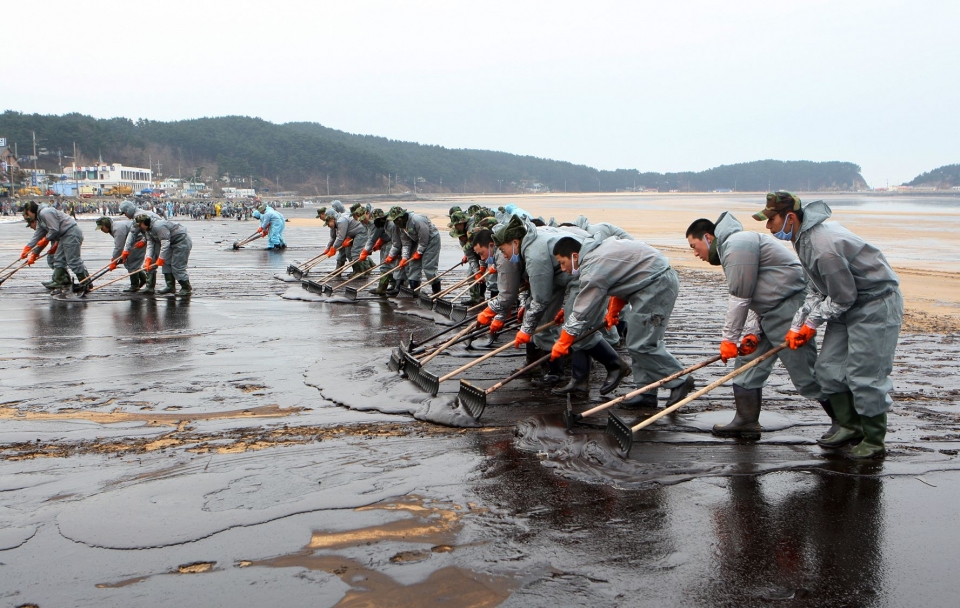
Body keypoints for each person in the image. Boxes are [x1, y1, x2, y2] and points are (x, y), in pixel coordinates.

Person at [754, 192, 902, 459]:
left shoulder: (824, 247)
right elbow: (816, 289)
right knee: (828, 369)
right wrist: (797, 325)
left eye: (771, 220)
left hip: (874, 304)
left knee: (864, 375)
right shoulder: (803, 239)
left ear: (790, 217)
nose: (768, 227)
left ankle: (874, 439)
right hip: (846, 302)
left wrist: (812, 323)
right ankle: (849, 425)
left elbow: (844, 297)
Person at [686, 214, 826, 439]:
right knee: (747, 366)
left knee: (806, 375)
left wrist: (729, 340)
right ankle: (746, 421)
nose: (695, 253)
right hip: (769, 312)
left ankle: (847, 424)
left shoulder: (736, 245)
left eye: (694, 246)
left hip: (789, 309)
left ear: (708, 237)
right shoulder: (731, 247)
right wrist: (752, 332)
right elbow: (755, 295)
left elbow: (740, 297)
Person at [550, 234, 694, 408]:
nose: (562, 268)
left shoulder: (593, 266)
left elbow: (582, 311)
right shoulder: (596, 253)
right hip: (647, 284)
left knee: (642, 343)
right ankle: (646, 393)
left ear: (574, 256)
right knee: (637, 340)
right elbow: (623, 275)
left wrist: (563, 341)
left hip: (657, 284)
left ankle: (679, 379)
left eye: (562, 262)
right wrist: (614, 309)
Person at [22, 201, 89, 289]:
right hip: (64, 236)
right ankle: (60, 280)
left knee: (73, 260)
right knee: (58, 259)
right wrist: (31, 249)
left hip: (70, 233)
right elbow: (38, 235)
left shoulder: (45, 212)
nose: (28, 216)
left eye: (27, 213)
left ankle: (86, 283)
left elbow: (54, 229)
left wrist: (45, 240)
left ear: (30, 210)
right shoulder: (40, 218)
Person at [385, 206, 442, 294]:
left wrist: (419, 252)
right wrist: (404, 258)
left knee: (428, 265)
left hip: (431, 240)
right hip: (417, 241)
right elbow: (406, 243)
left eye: (396, 220)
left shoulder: (417, 220)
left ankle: (437, 292)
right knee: (413, 264)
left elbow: (424, 238)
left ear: (401, 217)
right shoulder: (402, 227)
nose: (395, 222)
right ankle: (414, 290)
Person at [133, 214, 193, 295]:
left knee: (177, 266)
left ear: (145, 222)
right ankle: (170, 286)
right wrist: (148, 259)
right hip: (171, 243)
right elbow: (150, 243)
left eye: (140, 225)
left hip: (181, 242)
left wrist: (160, 258)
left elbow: (165, 243)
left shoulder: (158, 226)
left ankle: (186, 288)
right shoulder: (148, 230)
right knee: (167, 263)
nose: (140, 227)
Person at [119, 200, 163, 295]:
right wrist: (143, 240)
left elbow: (133, 233)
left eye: (125, 213)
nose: (125, 215)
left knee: (151, 262)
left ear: (128, 210)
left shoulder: (138, 217)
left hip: (158, 239)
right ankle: (149, 285)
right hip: (155, 238)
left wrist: (126, 250)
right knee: (152, 262)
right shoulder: (144, 213)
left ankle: (150, 287)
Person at [96, 216, 147, 293]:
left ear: (106, 224)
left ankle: (135, 285)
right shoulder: (113, 228)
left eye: (102, 228)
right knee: (130, 263)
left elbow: (119, 247)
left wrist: (114, 260)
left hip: (138, 241)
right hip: (131, 242)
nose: (102, 230)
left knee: (132, 263)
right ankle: (143, 279)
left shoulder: (117, 229)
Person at [324, 209, 368, 275]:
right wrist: (328, 248)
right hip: (353, 234)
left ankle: (360, 272)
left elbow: (340, 238)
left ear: (332, 220)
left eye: (328, 224)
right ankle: (356, 270)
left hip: (361, 232)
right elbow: (335, 237)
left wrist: (333, 248)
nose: (328, 226)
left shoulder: (341, 221)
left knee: (355, 252)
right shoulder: (336, 224)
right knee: (348, 253)